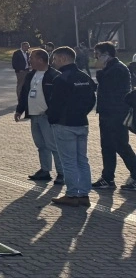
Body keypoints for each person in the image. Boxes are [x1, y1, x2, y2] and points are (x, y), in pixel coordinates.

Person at [48, 46, 97, 207]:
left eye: (55, 59)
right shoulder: (85, 77)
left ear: (63, 59)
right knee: (82, 160)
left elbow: (55, 103)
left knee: (68, 161)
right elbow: (91, 100)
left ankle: (71, 194)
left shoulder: (61, 79)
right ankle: (84, 193)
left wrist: (52, 119)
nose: (53, 63)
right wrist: (82, 113)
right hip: (81, 123)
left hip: (64, 124)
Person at [91, 42, 136, 191]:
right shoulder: (111, 68)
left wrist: (101, 71)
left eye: (97, 55)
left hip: (116, 114)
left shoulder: (117, 69)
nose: (95, 58)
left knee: (121, 145)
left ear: (106, 55)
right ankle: (107, 177)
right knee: (107, 146)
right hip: (107, 113)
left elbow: (108, 85)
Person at [15, 48, 63, 183]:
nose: (29, 61)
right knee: (41, 145)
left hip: (47, 117)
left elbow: (59, 98)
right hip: (34, 116)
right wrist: (19, 110)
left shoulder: (54, 75)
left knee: (53, 145)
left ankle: (61, 172)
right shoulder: (31, 75)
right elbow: (25, 93)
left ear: (41, 60)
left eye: (32, 58)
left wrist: (52, 112)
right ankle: (45, 170)